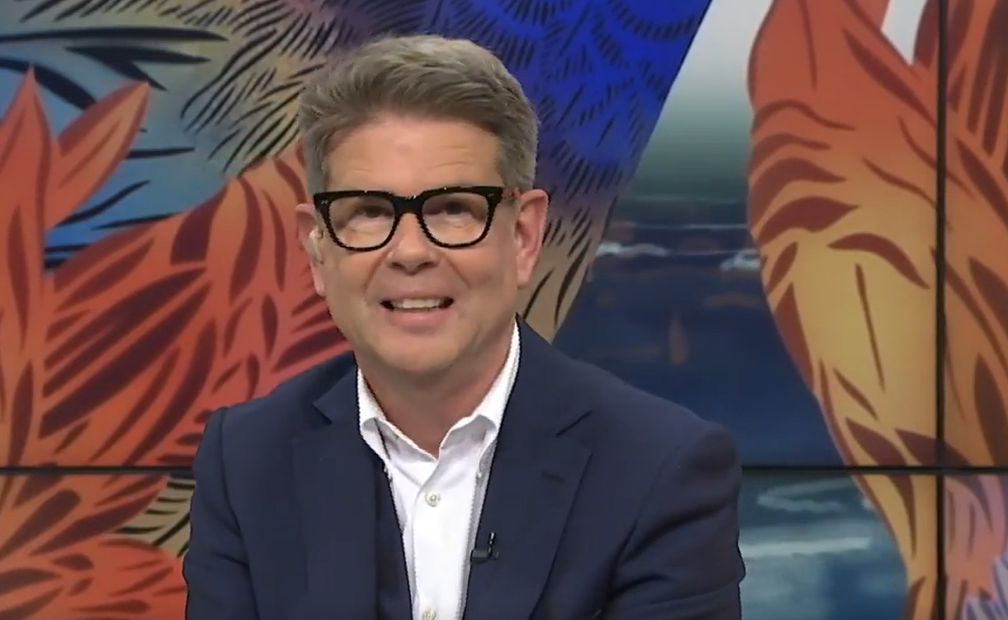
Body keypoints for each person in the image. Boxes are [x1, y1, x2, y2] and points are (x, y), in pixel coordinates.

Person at [182, 33, 745, 620]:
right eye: (369, 212)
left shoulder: (659, 469)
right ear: (318, 249)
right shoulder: (247, 461)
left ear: (523, 236)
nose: (409, 252)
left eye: (452, 209)